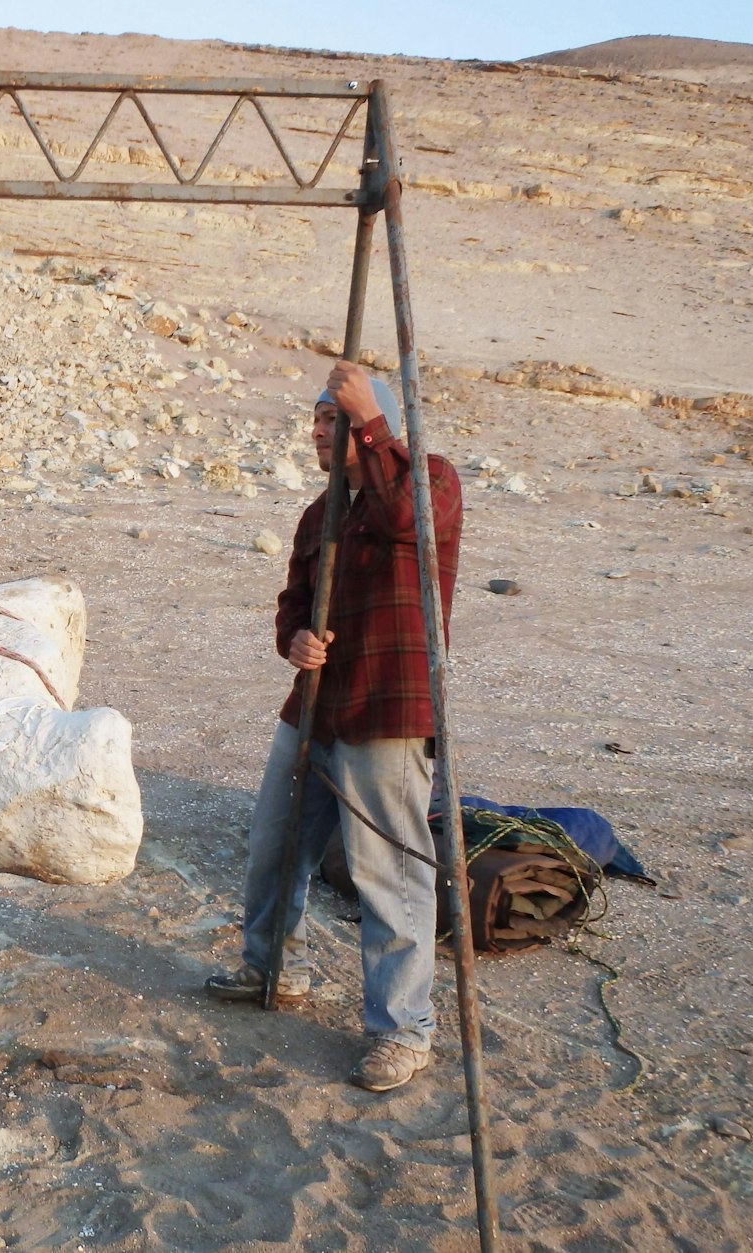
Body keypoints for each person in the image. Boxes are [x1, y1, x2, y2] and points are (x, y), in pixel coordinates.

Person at [205, 361, 462, 1093]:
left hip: (387, 708)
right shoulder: (319, 514)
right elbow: (292, 600)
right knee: (275, 844)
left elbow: (404, 520)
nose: (317, 431)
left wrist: (369, 420)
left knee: (390, 873)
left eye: (330, 417)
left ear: (365, 420)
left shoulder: (431, 479)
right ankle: (271, 970)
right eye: (314, 419)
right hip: (315, 706)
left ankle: (402, 1030)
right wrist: (293, 640)